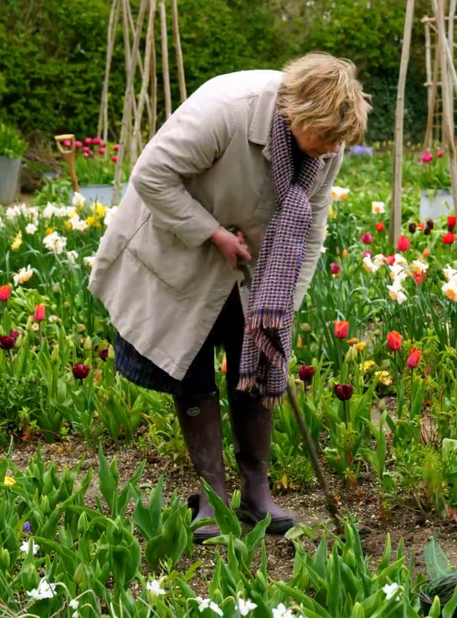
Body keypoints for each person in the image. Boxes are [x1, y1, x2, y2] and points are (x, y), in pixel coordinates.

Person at [89, 53, 370, 542]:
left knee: (257, 367)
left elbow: (312, 230)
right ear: (298, 116)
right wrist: (212, 232)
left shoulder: (327, 144)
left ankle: (256, 492)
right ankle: (212, 496)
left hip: (257, 273)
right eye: (325, 139)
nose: (330, 152)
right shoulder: (226, 109)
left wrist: (285, 305)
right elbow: (151, 176)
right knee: (193, 370)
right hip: (181, 250)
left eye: (338, 143)